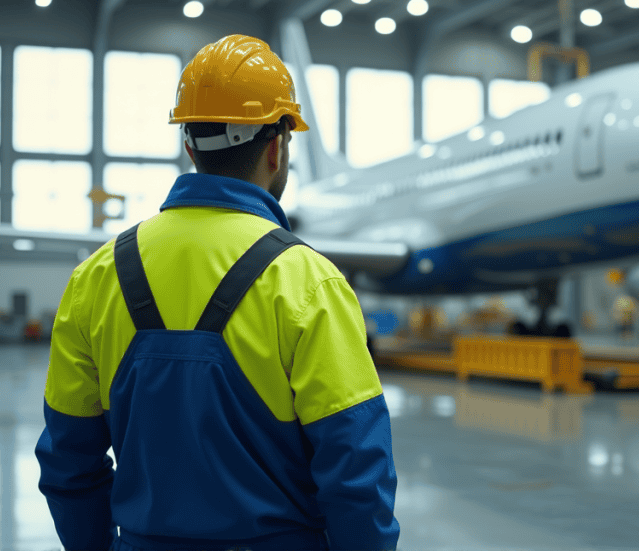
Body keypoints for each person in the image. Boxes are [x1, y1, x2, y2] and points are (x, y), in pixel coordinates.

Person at [35, 34, 399, 551]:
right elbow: (357, 473)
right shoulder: (308, 282)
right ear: (276, 147)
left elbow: (67, 461)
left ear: (189, 145)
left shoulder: (95, 278)